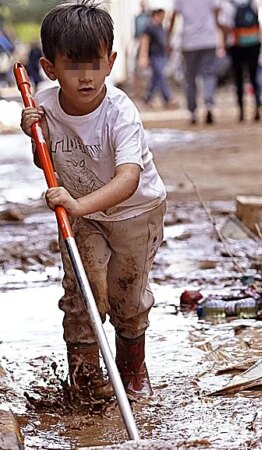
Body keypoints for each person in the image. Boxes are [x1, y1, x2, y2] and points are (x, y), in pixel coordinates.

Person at [20, 0, 167, 403]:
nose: (85, 77)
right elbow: (48, 161)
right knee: (83, 292)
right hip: (81, 214)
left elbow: (129, 179)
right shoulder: (45, 107)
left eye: (94, 64)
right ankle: (85, 375)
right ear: (50, 69)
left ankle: (131, 367)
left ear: (110, 62)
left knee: (126, 294)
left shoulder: (120, 112)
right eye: (72, 66)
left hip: (134, 212)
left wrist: (79, 204)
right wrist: (36, 136)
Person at [168, 0, 221, 125]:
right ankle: (208, 105)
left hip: (189, 41)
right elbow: (217, 10)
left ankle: (192, 111)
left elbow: (174, 15)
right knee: (208, 75)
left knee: (190, 78)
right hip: (208, 38)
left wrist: (168, 37)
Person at [218, 0, 261, 122]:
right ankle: (257, 107)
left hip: (236, 44)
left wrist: (226, 41)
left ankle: (241, 111)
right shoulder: (254, 2)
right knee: (253, 77)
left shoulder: (227, 5)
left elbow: (223, 25)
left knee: (238, 79)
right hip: (253, 43)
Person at [138, 8, 177, 108]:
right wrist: (143, 56)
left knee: (156, 79)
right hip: (154, 56)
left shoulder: (159, 27)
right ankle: (168, 98)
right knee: (160, 76)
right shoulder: (149, 27)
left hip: (161, 55)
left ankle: (148, 99)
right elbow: (144, 41)